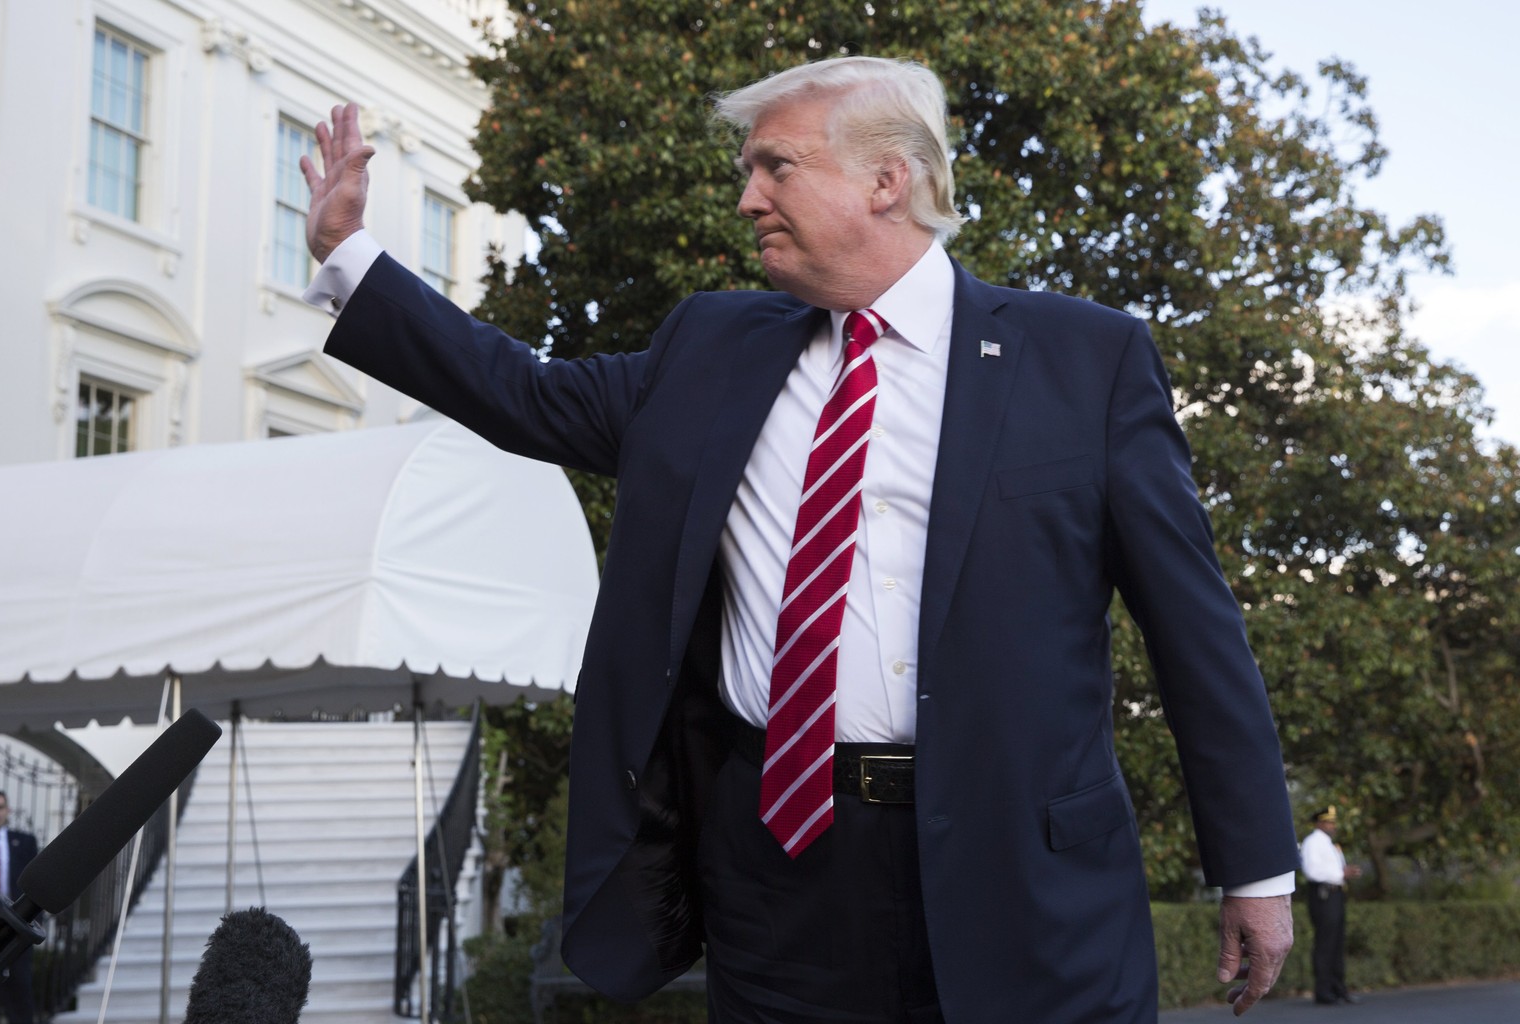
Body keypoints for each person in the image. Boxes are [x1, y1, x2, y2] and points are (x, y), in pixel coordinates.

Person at [301, 56, 1299, 1023]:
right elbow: (521, 391)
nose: (748, 197)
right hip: (778, 876)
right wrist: (350, 256)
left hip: (1023, 874)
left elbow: (1195, 630)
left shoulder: (1085, 362)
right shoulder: (707, 351)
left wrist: (1254, 865)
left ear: (886, 179)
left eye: (776, 165)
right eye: (749, 170)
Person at [0, 790, 39, 1024]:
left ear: (7, 810)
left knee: (20, 991)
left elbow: (37, 885)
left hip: (17, 929)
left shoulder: (25, 842)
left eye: (0, 807)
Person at [1299, 806, 1361, 1006]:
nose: (1332, 826)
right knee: (1325, 943)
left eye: (1333, 822)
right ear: (1319, 823)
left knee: (1337, 943)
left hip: (1336, 895)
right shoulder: (1312, 842)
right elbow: (1312, 871)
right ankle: (1323, 990)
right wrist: (1341, 874)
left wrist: (1343, 872)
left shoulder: (1330, 845)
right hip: (1323, 895)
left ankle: (1338, 988)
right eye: (1328, 822)